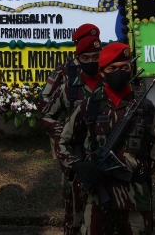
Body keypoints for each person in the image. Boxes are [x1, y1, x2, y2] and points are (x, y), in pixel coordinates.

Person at [56, 42, 155, 234]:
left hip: (135, 199)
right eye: (112, 68)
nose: (119, 72)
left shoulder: (146, 109)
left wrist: (134, 170)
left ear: (131, 69)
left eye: (124, 67)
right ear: (102, 73)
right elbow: (63, 142)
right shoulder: (88, 107)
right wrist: (78, 165)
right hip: (97, 196)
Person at [39, 36, 103, 235]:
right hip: (76, 160)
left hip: (106, 160)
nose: (92, 61)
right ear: (78, 59)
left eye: (96, 57)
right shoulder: (69, 88)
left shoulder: (109, 83)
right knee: (74, 218)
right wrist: (64, 132)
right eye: (86, 58)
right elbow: (45, 114)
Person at [40, 23, 101, 108]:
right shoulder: (64, 71)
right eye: (85, 42)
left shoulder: (106, 68)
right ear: (77, 45)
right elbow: (45, 98)